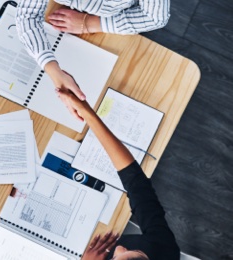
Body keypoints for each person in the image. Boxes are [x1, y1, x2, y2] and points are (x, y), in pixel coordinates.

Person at [56, 89, 180, 260]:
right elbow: (135, 181)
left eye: (114, 258)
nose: (120, 248)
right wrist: (88, 113)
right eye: (133, 252)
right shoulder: (164, 249)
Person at [16, 0, 170, 119]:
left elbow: (154, 17)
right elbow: (28, 16)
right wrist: (54, 71)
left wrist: (89, 23)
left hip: (122, 20)